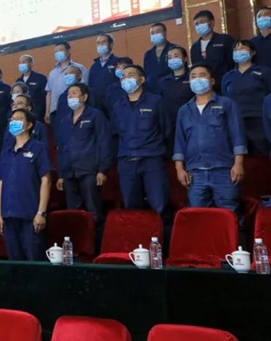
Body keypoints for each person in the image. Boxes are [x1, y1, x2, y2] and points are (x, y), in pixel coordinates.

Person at [174, 63, 246, 216]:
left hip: (224, 169)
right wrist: (179, 169)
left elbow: (237, 135)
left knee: (230, 213)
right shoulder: (184, 110)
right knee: (198, 216)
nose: (197, 79)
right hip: (195, 172)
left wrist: (238, 163)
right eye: (193, 77)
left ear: (212, 81)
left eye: (202, 75)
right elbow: (179, 142)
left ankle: (235, 234)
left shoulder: (226, 104)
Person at [112, 65, 173, 237]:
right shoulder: (118, 105)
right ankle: (138, 245)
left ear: (141, 79)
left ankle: (164, 246)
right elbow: (115, 133)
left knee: (160, 206)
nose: (126, 79)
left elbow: (167, 131)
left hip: (151, 160)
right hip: (127, 162)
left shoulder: (156, 102)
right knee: (131, 208)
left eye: (130, 75)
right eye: (123, 76)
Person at [55, 83, 112, 248]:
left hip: (89, 171)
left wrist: (102, 170)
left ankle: (97, 248)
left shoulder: (95, 116)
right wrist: (61, 174)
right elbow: (61, 148)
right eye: (68, 95)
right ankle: (78, 248)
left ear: (84, 97)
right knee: (73, 213)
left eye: (74, 93)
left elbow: (104, 142)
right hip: (69, 172)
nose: (70, 97)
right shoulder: (65, 121)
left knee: (93, 211)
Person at [0, 109, 52, 261]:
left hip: (30, 215)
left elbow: (46, 180)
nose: (14, 122)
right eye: (12, 119)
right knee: (14, 261)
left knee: (34, 260)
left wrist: (41, 213)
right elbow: (1, 182)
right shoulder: (6, 151)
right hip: (8, 214)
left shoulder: (38, 148)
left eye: (19, 119)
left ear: (29, 125)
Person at [221, 40, 271, 156]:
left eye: (242, 48)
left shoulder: (264, 72)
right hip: (236, 122)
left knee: (263, 155)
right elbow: (225, 101)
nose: (239, 52)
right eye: (236, 50)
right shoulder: (228, 76)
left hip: (259, 121)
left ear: (252, 52)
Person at [45, 42, 89, 127]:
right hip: (55, 111)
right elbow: (49, 93)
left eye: (60, 50)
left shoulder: (79, 68)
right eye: (56, 52)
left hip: (74, 107)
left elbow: (85, 88)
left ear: (68, 51)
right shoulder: (52, 73)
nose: (58, 53)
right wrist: (47, 112)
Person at [190, 9, 235, 90]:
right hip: (204, 87)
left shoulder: (225, 40)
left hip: (224, 85)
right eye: (197, 24)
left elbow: (233, 63)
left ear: (212, 23)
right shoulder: (194, 47)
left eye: (202, 22)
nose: (199, 25)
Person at [157, 46, 195, 130]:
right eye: (170, 57)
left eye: (176, 56)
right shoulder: (163, 81)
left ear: (185, 59)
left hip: (191, 121)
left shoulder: (193, 78)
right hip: (170, 123)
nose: (173, 59)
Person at [88, 34, 120, 112]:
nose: (100, 45)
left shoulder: (118, 62)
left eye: (103, 42)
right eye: (98, 43)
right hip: (98, 106)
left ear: (111, 44)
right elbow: (90, 86)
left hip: (115, 103)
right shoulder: (94, 66)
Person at [15, 54, 48, 123]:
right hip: (22, 115)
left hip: (38, 114)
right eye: (20, 63)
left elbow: (45, 96)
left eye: (24, 62)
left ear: (31, 64)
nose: (21, 64)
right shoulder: (18, 81)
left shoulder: (40, 78)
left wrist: (45, 112)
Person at [144, 23, 176, 93]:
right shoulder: (148, 54)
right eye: (152, 33)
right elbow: (146, 73)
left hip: (171, 87)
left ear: (165, 33)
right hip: (153, 90)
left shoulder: (175, 50)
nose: (155, 34)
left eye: (158, 32)